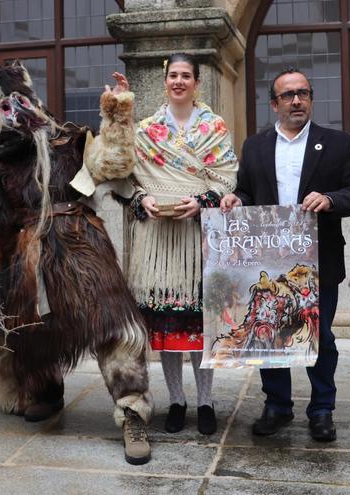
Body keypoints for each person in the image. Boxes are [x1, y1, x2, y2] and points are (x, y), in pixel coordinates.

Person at [221, 67, 350, 442]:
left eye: (303, 93)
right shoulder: (255, 146)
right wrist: (235, 199)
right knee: (270, 333)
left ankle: (322, 409)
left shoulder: (337, 143)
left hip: (318, 261)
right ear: (274, 104)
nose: (296, 100)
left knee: (320, 335)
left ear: (311, 99)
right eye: (288, 95)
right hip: (269, 264)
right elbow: (247, 193)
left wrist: (331, 199)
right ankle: (277, 406)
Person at [128, 52, 238, 436]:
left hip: (199, 238)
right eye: (173, 75)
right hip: (158, 239)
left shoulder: (215, 127)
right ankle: (177, 400)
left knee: (200, 326)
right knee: (167, 329)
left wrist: (203, 200)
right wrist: (142, 198)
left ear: (196, 82)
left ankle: (206, 402)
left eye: (185, 75)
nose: (178, 81)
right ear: (165, 81)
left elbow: (227, 176)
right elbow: (129, 178)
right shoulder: (145, 129)